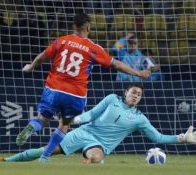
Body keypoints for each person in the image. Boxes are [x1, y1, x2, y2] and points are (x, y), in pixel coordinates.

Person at [16, 13, 151, 163]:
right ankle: (44, 157)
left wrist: (30, 67)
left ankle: (32, 127)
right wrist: (138, 72)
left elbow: (42, 56)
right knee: (64, 125)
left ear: (74, 26)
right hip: (75, 94)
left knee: (42, 119)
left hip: (53, 88)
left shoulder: (62, 40)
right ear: (88, 27)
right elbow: (116, 64)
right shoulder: (93, 48)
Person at [0, 83, 196, 164]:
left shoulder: (140, 118)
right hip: (83, 132)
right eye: (133, 93)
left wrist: (183, 138)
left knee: (97, 157)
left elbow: (157, 138)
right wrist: (74, 120)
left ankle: (90, 161)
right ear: (126, 92)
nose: (136, 96)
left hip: (100, 144)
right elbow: (90, 114)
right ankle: (5, 160)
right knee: (45, 150)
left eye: (139, 95)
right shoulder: (111, 99)